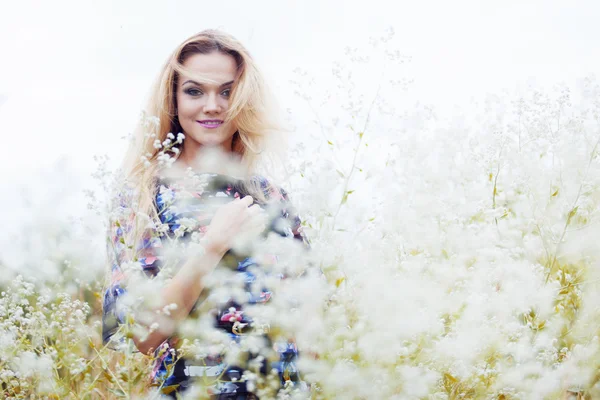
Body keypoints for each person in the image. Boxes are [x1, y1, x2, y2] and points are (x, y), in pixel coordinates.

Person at [101, 29, 311, 399]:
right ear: (174, 100)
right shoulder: (144, 198)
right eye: (195, 91)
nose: (212, 105)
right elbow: (142, 335)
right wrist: (212, 247)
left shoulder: (273, 197)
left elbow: (310, 328)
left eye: (227, 91)